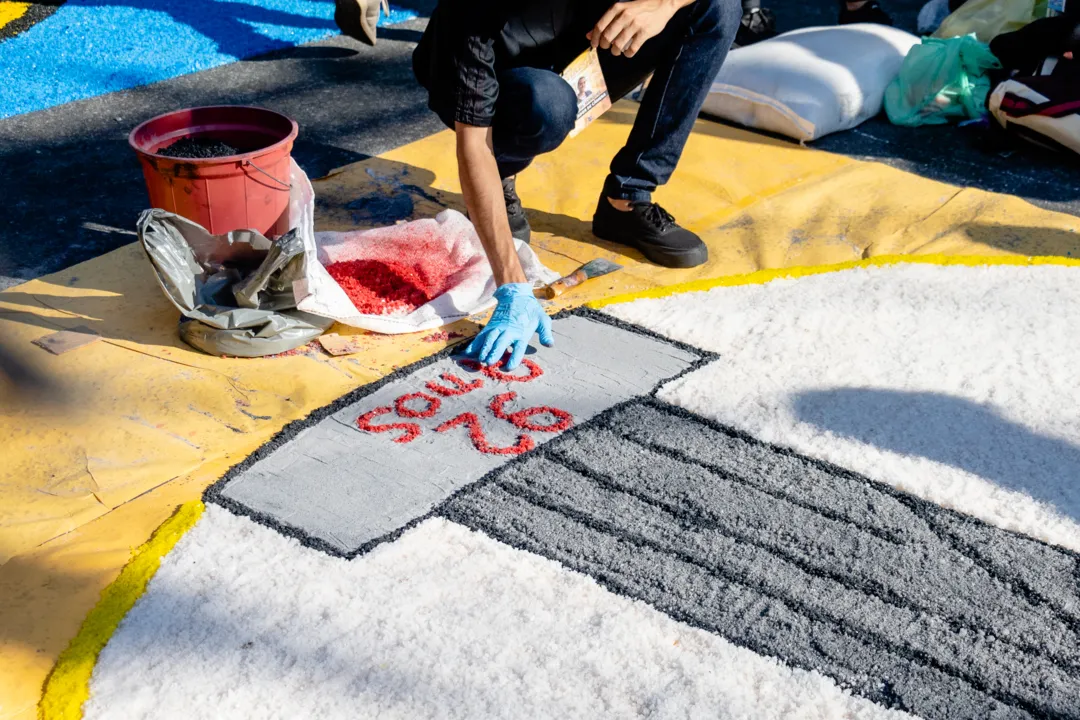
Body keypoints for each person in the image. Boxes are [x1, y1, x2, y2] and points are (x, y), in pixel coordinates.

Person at [413, 0, 740, 370]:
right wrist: (513, 287)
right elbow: (473, 143)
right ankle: (502, 174)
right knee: (547, 105)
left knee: (717, 7)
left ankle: (627, 196)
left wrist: (664, 6)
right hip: (501, 76)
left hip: (582, 49)